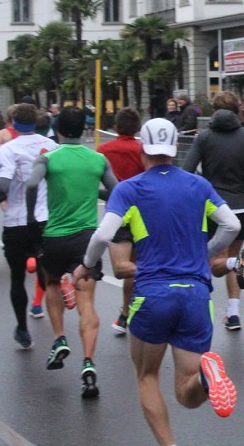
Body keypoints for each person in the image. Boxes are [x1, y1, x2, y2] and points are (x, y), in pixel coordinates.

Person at [72, 118, 242, 445]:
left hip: (152, 295)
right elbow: (232, 226)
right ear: (176, 147)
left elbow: (103, 234)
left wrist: (85, 266)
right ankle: (207, 378)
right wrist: (205, 251)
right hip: (196, 295)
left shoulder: (129, 189)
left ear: (142, 148)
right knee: (186, 391)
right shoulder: (199, 185)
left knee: (147, 377)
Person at [25, 107, 117, 398]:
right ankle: (88, 363)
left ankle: (59, 339)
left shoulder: (48, 158)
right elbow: (116, 191)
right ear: (85, 129)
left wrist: (31, 219)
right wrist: (94, 193)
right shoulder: (98, 159)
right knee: (86, 301)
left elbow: (30, 185)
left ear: (59, 130)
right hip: (86, 240)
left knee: (51, 283)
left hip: (54, 237)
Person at [183, 91, 244, 331]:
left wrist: (202, 186)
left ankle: (198, 313)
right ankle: (233, 314)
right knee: (231, 256)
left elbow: (187, 170)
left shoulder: (204, 138)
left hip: (213, 207)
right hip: (243, 206)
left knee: (208, 260)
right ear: (236, 111)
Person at [0, 103, 58, 349]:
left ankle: (22, 329)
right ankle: (57, 332)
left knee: (17, 278)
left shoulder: (9, 149)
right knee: (48, 276)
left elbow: (4, 185)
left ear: (12, 122)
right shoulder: (51, 145)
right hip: (45, 218)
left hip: (18, 220)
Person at [97, 107, 145, 335]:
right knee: (137, 265)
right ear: (137, 128)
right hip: (143, 214)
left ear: (115, 127)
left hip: (116, 214)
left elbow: (95, 185)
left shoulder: (102, 151)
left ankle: (125, 315)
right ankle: (132, 312)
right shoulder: (143, 150)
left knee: (124, 269)